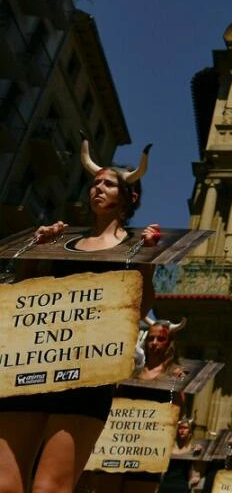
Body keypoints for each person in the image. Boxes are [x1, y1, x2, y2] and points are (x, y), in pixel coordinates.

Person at [0, 136, 159, 493]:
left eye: (108, 183)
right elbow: (22, 294)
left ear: (128, 197)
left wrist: (148, 262)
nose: (97, 188)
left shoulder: (135, 248)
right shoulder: (61, 240)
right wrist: (36, 251)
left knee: (49, 488)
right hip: (32, 366)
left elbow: (140, 307)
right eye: (94, 182)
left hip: (85, 374)